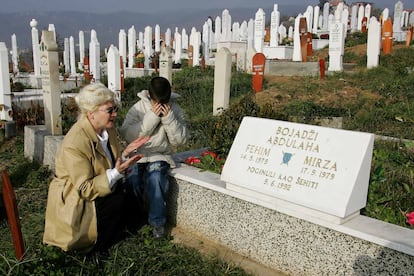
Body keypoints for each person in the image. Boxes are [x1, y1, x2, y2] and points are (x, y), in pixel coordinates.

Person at [43, 83, 150, 253]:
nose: (115, 114)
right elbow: (85, 188)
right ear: (91, 113)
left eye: (114, 109)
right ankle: (97, 248)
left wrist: (124, 155)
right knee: (119, 202)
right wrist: (117, 172)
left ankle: (115, 233)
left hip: (97, 189)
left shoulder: (107, 129)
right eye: (109, 110)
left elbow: (107, 163)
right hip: (76, 198)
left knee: (128, 198)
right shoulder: (75, 142)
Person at [120, 76, 187, 239]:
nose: (161, 106)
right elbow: (128, 135)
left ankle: (157, 224)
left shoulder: (175, 110)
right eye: (157, 102)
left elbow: (180, 141)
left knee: (156, 178)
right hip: (138, 154)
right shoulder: (138, 107)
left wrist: (168, 118)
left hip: (160, 154)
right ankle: (135, 218)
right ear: (150, 95)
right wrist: (152, 117)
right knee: (133, 179)